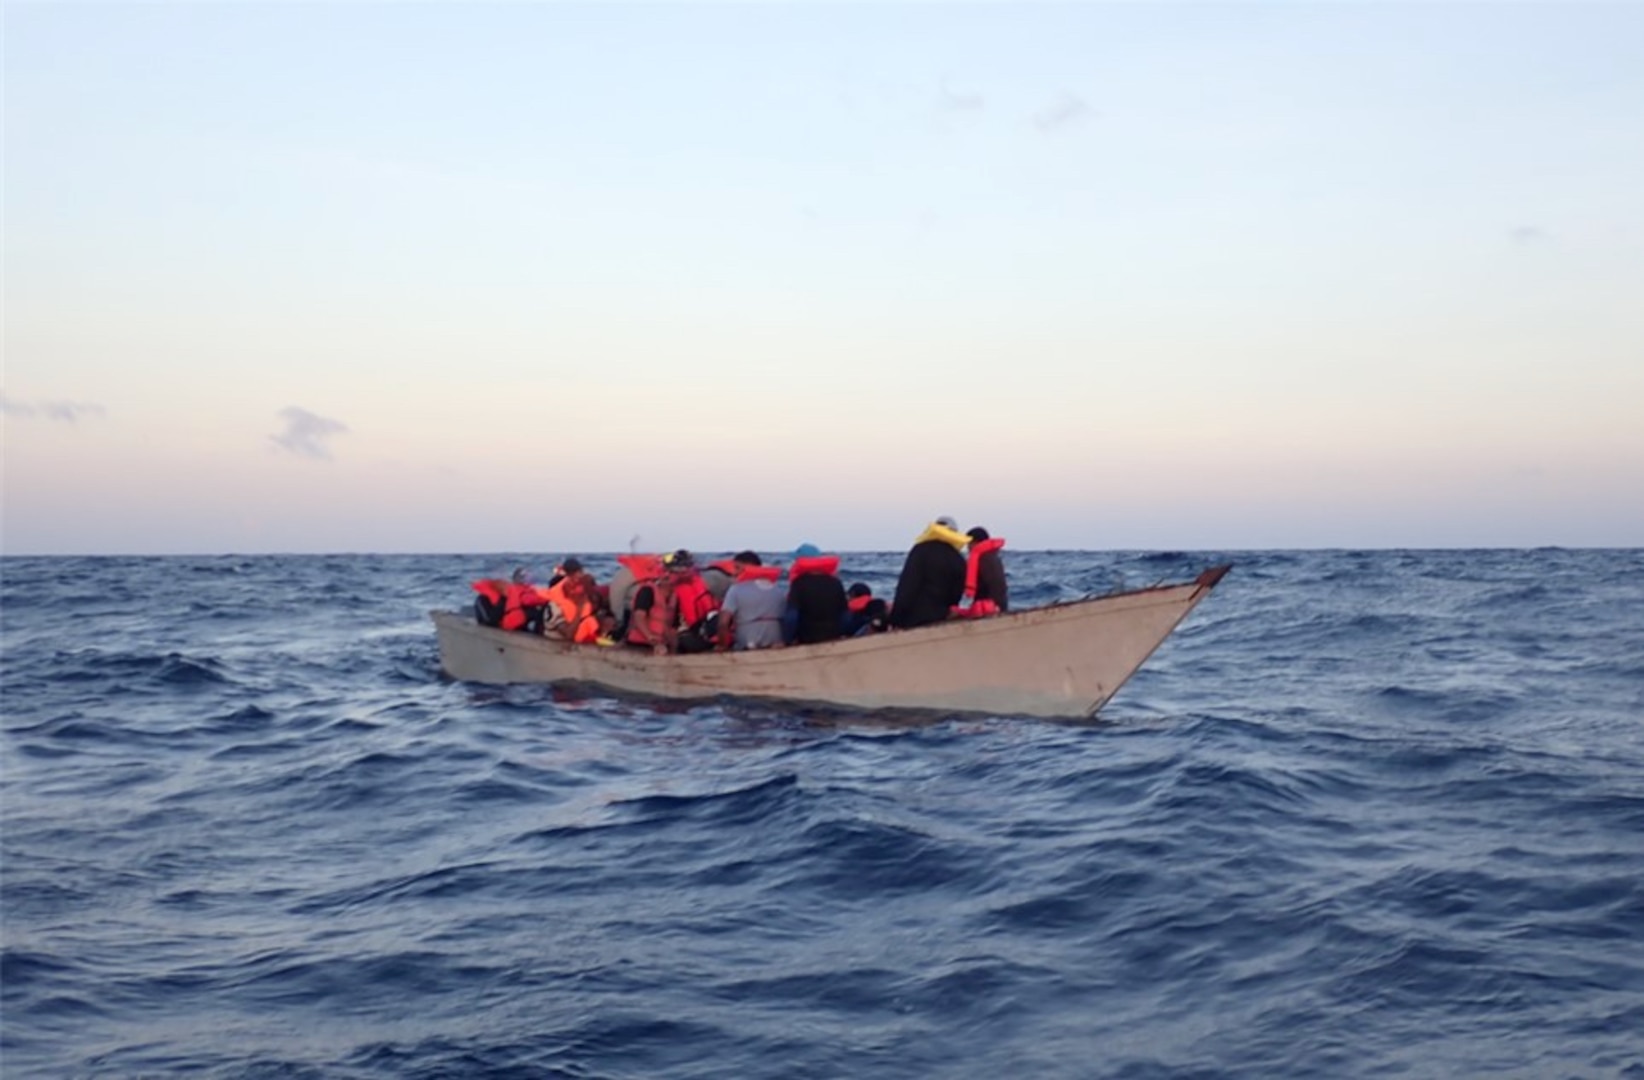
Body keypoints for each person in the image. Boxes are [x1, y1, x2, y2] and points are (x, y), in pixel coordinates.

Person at [889, 516, 969, 629]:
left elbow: (908, 586)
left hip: (914, 617)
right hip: (942, 617)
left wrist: (896, 618)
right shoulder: (958, 559)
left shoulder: (920, 551)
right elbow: (956, 595)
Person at [717, 551, 788, 650]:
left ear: (750, 568)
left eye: (737, 568)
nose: (735, 572)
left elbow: (723, 623)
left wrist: (722, 646)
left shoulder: (735, 589)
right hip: (776, 643)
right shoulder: (777, 590)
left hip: (747, 645)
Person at [785, 542, 847, 645]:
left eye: (796, 560)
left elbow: (792, 617)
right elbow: (845, 615)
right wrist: (842, 633)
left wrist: (787, 640)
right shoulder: (836, 583)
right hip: (833, 636)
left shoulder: (799, 584)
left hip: (807, 639)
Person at [541, 557, 603, 643]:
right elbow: (568, 634)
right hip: (560, 640)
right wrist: (579, 608)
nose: (576, 585)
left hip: (580, 633)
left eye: (579, 580)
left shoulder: (584, 587)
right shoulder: (554, 604)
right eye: (573, 580)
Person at [954, 527, 1009, 617]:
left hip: (988, 608)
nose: (968, 547)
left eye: (969, 543)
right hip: (1000, 606)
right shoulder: (993, 557)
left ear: (975, 542)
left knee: (952, 611)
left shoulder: (982, 559)